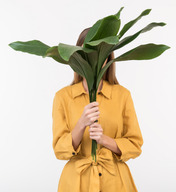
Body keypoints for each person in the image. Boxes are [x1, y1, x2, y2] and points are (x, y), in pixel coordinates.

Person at [52, 28, 144, 192]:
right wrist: (81, 125)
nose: (93, 60)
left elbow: (135, 145)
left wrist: (105, 140)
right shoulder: (63, 97)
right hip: (75, 183)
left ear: (108, 57)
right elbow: (59, 150)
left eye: (98, 53)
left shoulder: (122, 95)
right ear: (76, 58)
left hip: (115, 182)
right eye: (86, 53)